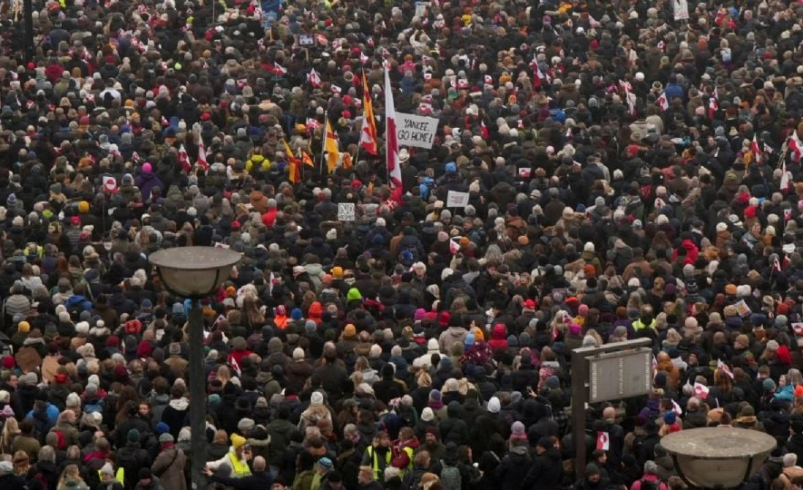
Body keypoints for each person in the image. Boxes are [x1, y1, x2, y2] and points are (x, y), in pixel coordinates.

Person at [205, 455, 272, 490]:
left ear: (253, 466)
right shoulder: (270, 478)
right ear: (265, 465)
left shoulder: (248, 480)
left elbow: (229, 481)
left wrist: (212, 475)